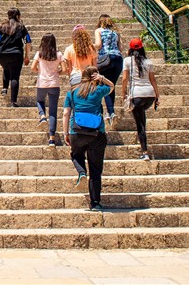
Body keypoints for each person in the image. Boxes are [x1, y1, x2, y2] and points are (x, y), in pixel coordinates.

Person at [63, 66, 114, 211]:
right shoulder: (98, 90)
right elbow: (112, 87)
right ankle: (95, 203)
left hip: (77, 131)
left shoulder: (72, 92)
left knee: (76, 155)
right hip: (97, 133)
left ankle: (81, 172)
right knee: (95, 169)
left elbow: (66, 113)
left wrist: (65, 133)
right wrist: (102, 79)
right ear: (95, 77)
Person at [116, 38, 160, 161]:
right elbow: (153, 79)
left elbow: (125, 79)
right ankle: (142, 143)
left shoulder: (127, 61)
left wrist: (123, 92)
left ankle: (145, 152)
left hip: (137, 94)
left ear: (130, 49)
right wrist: (157, 95)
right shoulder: (148, 62)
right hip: (149, 95)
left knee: (140, 125)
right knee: (142, 118)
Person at [30, 33, 65, 145]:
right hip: (54, 83)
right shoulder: (59, 54)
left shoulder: (39, 54)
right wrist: (57, 72)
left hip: (42, 83)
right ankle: (52, 139)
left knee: (40, 101)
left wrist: (39, 72)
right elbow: (64, 69)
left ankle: (42, 116)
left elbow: (32, 67)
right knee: (53, 112)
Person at [0, 7, 30, 106]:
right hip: (16, 54)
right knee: (14, 77)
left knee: (6, 67)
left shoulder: (2, 27)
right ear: (18, 16)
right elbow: (28, 41)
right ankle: (13, 102)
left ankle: (4, 88)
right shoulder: (21, 27)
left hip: (2, 54)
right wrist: (27, 56)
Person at [93, 14, 123, 125]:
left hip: (106, 59)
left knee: (106, 85)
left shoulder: (99, 31)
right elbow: (121, 48)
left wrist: (90, 45)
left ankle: (110, 112)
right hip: (118, 59)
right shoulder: (116, 32)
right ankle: (111, 112)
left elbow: (98, 45)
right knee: (111, 85)